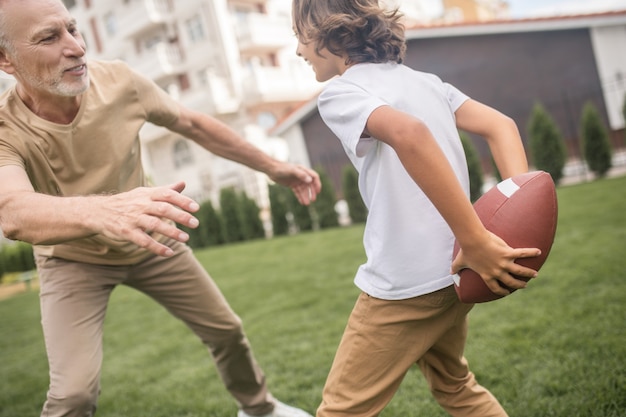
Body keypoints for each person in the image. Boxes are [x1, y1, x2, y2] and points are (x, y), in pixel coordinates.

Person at [0, 0, 321, 416]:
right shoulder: (6, 128)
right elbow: (13, 210)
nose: (75, 47)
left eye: (73, 29)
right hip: (72, 262)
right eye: (49, 37)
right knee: (73, 395)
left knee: (226, 330)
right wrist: (107, 211)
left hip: (151, 243)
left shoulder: (118, 82)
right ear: (5, 59)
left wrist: (275, 168)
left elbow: (192, 123)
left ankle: (260, 409)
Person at [292, 1, 542, 416]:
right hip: (457, 274)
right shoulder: (427, 83)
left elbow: (409, 134)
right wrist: (505, 225)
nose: (298, 51)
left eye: (299, 37)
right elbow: (502, 127)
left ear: (327, 35)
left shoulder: (342, 91)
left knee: (340, 411)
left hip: (408, 284)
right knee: (456, 387)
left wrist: (476, 239)